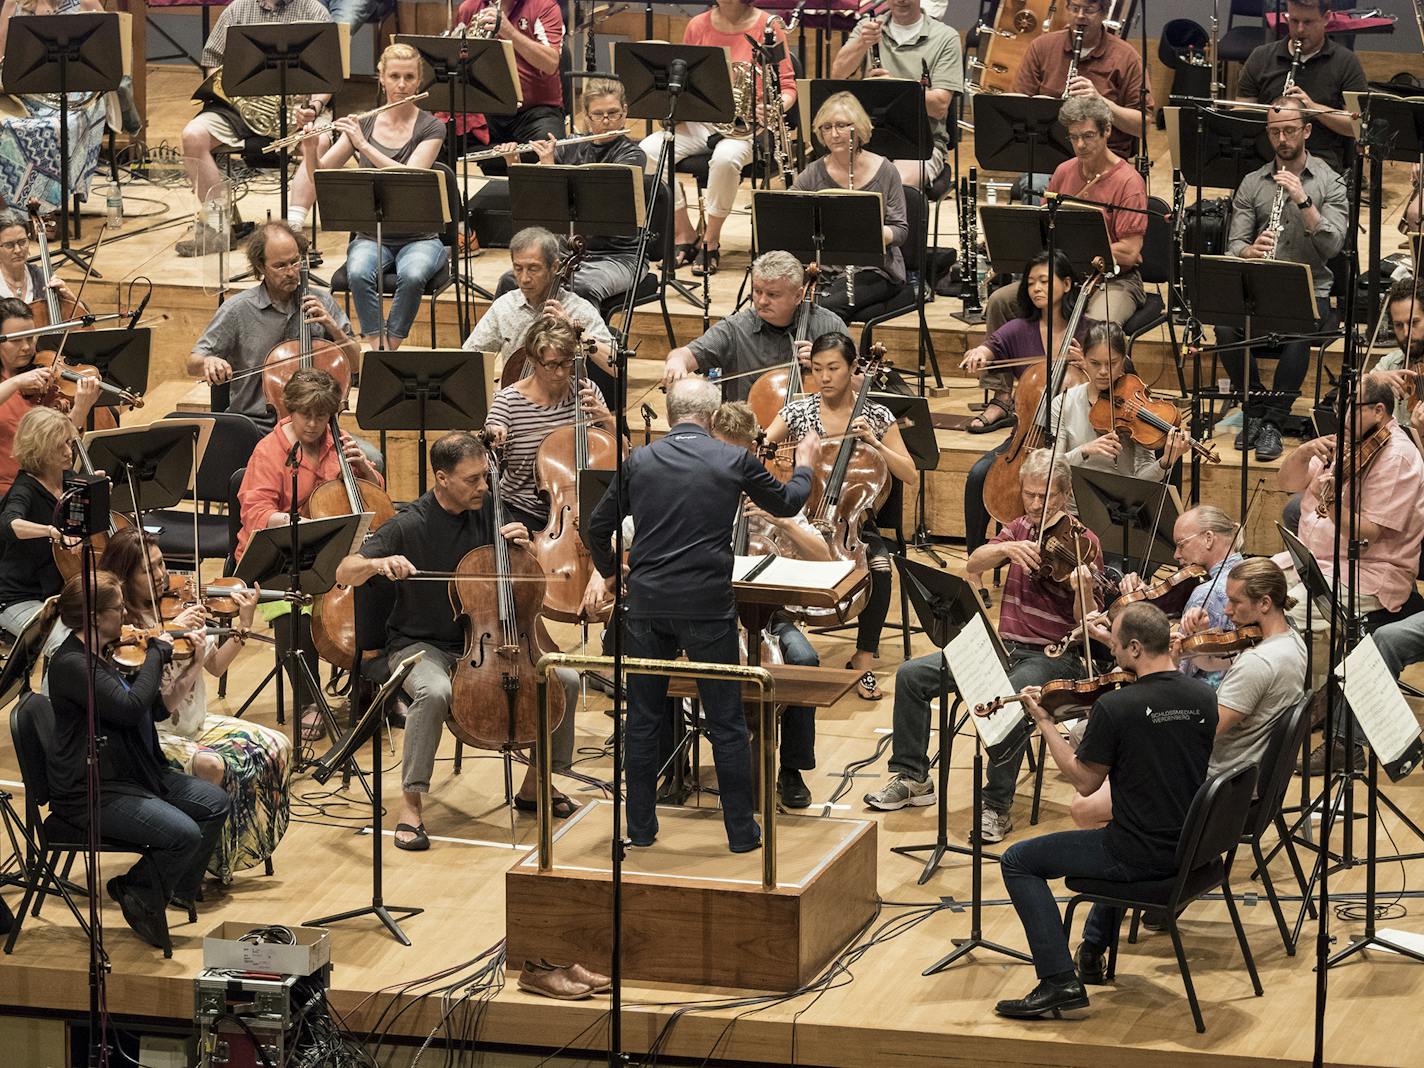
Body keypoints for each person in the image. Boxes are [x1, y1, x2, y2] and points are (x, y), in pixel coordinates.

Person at [585, 378, 820, 852]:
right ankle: (740, 834)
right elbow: (790, 502)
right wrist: (806, 465)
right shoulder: (733, 459)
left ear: (671, 416)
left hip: (647, 606)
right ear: (713, 419)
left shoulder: (640, 461)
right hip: (707, 607)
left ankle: (642, 831)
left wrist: (614, 573)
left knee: (644, 720)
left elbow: (597, 526)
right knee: (727, 722)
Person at [333, 430, 582, 849]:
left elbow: (524, 577)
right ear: (441, 478)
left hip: (490, 641)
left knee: (567, 680)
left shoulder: (490, 510)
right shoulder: (410, 523)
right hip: (419, 643)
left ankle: (536, 785)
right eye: (472, 480)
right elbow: (344, 571)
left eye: (485, 476)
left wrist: (526, 550)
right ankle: (410, 805)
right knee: (433, 691)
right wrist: (378, 563)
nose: (484, 487)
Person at [863, 449, 1101, 845]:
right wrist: (1005, 550)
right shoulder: (1019, 527)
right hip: (1002, 646)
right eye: (1030, 495)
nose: (1037, 505)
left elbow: (1086, 621)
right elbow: (974, 563)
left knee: (1006, 698)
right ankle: (912, 777)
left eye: (1046, 497)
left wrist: (1084, 589)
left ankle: (996, 806)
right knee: (911, 676)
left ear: (1064, 494)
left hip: (1053, 656)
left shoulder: (1083, 543)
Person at [994, 601, 1217, 1020]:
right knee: (1114, 824)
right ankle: (1093, 949)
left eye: (1114, 645)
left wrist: (1044, 721)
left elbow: (1084, 781)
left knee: (1018, 860)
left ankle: (1058, 980)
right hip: (1193, 847)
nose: (1110, 652)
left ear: (1134, 648)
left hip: (1139, 854)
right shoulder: (1204, 696)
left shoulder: (1118, 708)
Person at [46, 572, 230, 949]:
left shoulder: (108, 652)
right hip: (92, 791)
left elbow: (156, 710)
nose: (127, 614)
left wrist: (194, 662)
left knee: (215, 803)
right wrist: (158, 653)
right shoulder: (73, 665)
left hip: (134, 773)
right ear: (95, 617)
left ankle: (155, 890)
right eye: (118, 608)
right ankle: (141, 890)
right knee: (184, 834)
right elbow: (130, 710)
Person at [97, 529, 291, 884]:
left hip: (196, 722)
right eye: (147, 570)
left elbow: (216, 666)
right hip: (157, 735)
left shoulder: (180, 607)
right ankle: (199, 863)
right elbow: (152, 701)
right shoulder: (122, 629)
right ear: (125, 578)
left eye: (161, 565)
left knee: (274, 745)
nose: (159, 576)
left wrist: (242, 627)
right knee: (211, 765)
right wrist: (170, 638)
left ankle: (240, 851)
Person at [1071, 559, 1304, 828]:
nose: (1227, 610)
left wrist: (1164, 672)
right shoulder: (1290, 641)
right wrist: (1193, 644)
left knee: (1083, 806)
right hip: (1239, 770)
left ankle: (1152, 854)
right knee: (1092, 737)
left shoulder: (1259, 663)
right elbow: (1215, 663)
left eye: (1235, 602)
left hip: (1216, 782)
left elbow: (1199, 734)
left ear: (1264, 603)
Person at [762, 333, 916, 700]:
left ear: (852, 369)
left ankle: (863, 658)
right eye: (817, 370)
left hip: (853, 522)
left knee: (879, 568)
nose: (825, 377)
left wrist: (876, 444)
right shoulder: (798, 412)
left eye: (833, 368)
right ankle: (782, 644)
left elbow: (909, 472)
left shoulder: (877, 416)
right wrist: (783, 460)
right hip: (802, 516)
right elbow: (760, 451)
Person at [235, 369, 383, 740]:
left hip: (336, 555)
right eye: (307, 415)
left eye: (323, 416)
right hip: (283, 558)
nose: (315, 424)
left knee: (378, 597)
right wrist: (305, 521)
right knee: (294, 615)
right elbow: (255, 513)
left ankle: (369, 691)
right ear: (291, 410)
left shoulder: (340, 440)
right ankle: (309, 700)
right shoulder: (269, 451)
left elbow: (373, 496)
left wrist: (365, 469)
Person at [289, 43, 447, 353]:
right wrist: (309, 148)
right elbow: (320, 174)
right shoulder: (364, 123)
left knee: (413, 275)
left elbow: (409, 176)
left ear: (419, 81)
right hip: (370, 236)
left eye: (409, 77)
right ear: (381, 79)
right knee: (359, 272)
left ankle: (390, 348)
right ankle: (378, 346)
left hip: (421, 238)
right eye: (394, 76)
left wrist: (362, 144)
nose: (401, 85)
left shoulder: (432, 127)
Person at [711, 400, 827, 808]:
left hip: (769, 618)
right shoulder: (702, 490)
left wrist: (783, 522)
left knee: (804, 662)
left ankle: (791, 769)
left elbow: (825, 557)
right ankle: (674, 766)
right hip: (712, 614)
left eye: (739, 453)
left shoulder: (770, 492)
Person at [1218, 98, 1347, 462]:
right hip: (1262, 287)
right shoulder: (1252, 182)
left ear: (1306, 130)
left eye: (1290, 130)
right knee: (1226, 330)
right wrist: (1250, 251)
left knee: (1300, 333)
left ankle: (1274, 421)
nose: (1282, 139)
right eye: (1274, 132)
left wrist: (1305, 202)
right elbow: (1234, 246)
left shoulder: (1329, 182)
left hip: (1310, 288)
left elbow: (1333, 245)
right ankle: (1257, 409)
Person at [638, 0, 795, 275]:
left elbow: (789, 86)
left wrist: (774, 105)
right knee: (649, 149)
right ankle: (684, 233)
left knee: (725, 158)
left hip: (749, 125)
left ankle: (711, 240)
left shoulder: (769, 27)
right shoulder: (697, 25)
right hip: (705, 121)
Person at [178, 0, 335, 256]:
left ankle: (293, 230)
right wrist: (239, 100)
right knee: (193, 135)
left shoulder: (313, 10)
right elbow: (213, 61)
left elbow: (329, 72)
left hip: (301, 108)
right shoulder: (237, 9)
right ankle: (218, 228)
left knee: (318, 140)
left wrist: (314, 107)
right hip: (241, 110)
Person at [978, 97, 1147, 331]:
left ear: (1106, 130)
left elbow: (1129, 252)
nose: (1080, 145)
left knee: (1099, 324)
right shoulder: (1063, 171)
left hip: (1116, 279)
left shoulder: (1129, 182)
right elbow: (1042, 226)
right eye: (1074, 137)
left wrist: (1077, 252)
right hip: (1065, 277)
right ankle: (1003, 369)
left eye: (1087, 136)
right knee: (1000, 302)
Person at [1277, 372, 1424, 634]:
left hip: (1365, 575)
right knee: (1247, 585)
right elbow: (1287, 483)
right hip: (1316, 562)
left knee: (1277, 615)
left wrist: (1331, 502)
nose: (1342, 416)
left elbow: (1367, 533)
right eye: (1340, 407)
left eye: (1351, 408)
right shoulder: (1348, 440)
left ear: (1379, 410)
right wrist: (1303, 452)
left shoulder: (1396, 458)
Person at [187, 223, 364, 430]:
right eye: (280, 266)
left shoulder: (321, 300)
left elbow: (354, 364)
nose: (291, 272)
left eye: (295, 262)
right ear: (260, 267)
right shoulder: (238, 309)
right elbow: (193, 363)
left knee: (372, 458)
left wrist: (333, 327)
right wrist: (209, 361)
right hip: (257, 426)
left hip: (315, 427)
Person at [495, 78, 648, 306]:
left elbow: (597, 208)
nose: (606, 122)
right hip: (570, 253)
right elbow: (533, 201)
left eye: (613, 113)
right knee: (509, 280)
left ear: (625, 112)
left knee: (581, 289)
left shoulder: (632, 156)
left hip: (618, 256)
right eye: (598, 114)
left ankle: (583, 342)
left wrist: (549, 167)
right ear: (585, 116)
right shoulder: (570, 147)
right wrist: (514, 162)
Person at [483, 314, 614, 564]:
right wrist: (495, 434)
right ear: (532, 360)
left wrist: (606, 419)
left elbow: (618, 455)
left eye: (567, 363)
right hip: (522, 509)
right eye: (551, 364)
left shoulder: (586, 392)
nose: (561, 372)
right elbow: (492, 431)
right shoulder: (509, 401)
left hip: (579, 508)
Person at [661, 250, 846, 403]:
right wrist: (676, 362)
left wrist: (827, 365)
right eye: (757, 291)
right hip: (747, 434)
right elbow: (685, 355)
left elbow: (859, 384)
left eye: (773, 295)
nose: (762, 301)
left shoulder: (829, 325)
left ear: (798, 296)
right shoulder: (735, 328)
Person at [791, 93, 909, 324]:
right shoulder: (813, 173)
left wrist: (864, 232)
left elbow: (900, 230)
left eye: (842, 126)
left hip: (875, 268)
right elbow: (789, 218)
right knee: (793, 304)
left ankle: (830, 359)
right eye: (827, 127)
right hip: (824, 269)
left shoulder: (886, 171)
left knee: (826, 309)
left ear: (860, 127)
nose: (834, 134)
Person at [461, 226, 617, 394]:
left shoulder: (577, 309)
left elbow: (616, 366)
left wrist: (575, 331)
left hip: (563, 410)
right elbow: (468, 360)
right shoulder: (504, 307)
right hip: (515, 409)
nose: (524, 278)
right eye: (518, 268)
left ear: (555, 267)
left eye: (533, 269)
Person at [828, 0, 963, 187]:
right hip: (866, 140)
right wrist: (861, 43)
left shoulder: (945, 37)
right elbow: (838, 75)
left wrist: (893, 86)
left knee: (894, 182)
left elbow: (938, 107)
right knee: (830, 178)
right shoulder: (867, 28)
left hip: (921, 145)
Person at [962, 252, 1087, 435]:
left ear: (1067, 284)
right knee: (980, 466)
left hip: (1079, 432)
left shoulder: (1088, 330)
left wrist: (1088, 366)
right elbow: (989, 347)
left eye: (1044, 282)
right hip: (1030, 433)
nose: (1036, 288)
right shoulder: (1019, 328)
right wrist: (976, 354)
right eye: (1030, 283)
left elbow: (1118, 372)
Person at [0, 0, 109, 211]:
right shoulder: (15, 3)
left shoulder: (84, 2)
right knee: (10, 128)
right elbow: (2, 57)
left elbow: (106, 52)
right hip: (26, 93)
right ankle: (13, 212)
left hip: (78, 92)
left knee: (59, 127)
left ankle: (49, 207)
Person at [1011, 0, 1153, 161]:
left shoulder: (1127, 57)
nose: (1080, 16)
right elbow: (1017, 106)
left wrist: (1101, 102)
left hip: (1104, 157)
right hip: (1048, 152)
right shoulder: (1041, 47)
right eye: (1074, 8)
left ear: (1104, 13)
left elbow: (1142, 126)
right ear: (1066, 9)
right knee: (1029, 186)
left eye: (1089, 10)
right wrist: (1043, 106)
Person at [1120, 504, 1243, 687]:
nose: (1176, 555)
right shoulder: (1246, 574)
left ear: (1208, 538)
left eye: (1181, 544)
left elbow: (1178, 670)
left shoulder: (1206, 593)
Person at [1237, 0, 1366, 174]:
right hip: (1265, 159)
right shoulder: (1261, 57)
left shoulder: (1346, 62)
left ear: (1326, 18)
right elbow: (1239, 116)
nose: (1299, 30)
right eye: (1293, 21)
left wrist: (1313, 109)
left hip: (1321, 164)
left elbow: (1358, 126)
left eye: (1308, 22)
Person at [451, 0, 566, 174]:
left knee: (551, 149)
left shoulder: (544, 6)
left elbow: (551, 63)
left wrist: (508, 31)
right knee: (447, 141)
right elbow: (454, 58)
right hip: (488, 108)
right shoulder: (469, 7)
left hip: (536, 111)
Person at [0, 297, 98, 496]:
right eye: (17, 340)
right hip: (7, 493)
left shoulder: (45, 381)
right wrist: (16, 382)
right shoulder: (17, 383)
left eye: (31, 337)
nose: (27, 347)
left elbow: (56, 448)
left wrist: (80, 409)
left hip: (48, 489)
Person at [0, 406, 76, 641]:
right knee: (64, 642)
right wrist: (50, 531)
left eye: (68, 442)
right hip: (18, 598)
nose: (68, 451)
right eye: (59, 446)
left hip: (58, 593)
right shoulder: (25, 489)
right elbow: (9, 523)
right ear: (40, 450)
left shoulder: (70, 480)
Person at [1370, 275, 1424, 431]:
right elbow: (1351, 401)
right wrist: (1375, 379)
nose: (1406, 333)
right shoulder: (1390, 363)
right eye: (1399, 325)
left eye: (1414, 323)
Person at [0, 206, 79, 305]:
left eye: (22, 242)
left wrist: (72, 300)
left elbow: (82, 317)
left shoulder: (41, 276)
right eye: (9, 245)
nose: (18, 250)